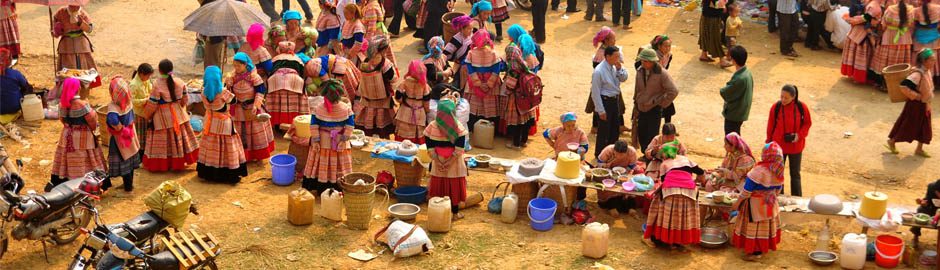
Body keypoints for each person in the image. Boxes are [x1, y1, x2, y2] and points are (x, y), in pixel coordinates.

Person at [47, 78, 107, 191]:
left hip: (66, 136)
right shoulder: (83, 105)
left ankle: (66, 185)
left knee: (66, 159)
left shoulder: (62, 105)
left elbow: (62, 120)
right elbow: (93, 122)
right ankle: (87, 186)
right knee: (86, 160)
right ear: (77, 88)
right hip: (83, 137)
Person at [644, 142, 704, 252]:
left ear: (665, 155)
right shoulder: (686, 159)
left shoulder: (664, 164)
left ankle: (656, 237)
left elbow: (663, 181)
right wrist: (696, 180)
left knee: (663, 212)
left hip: (670, 193)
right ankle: (676, 242)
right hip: (689, 193)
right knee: (680, 216)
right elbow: (701, 172)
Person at [142, 60, 199, 172]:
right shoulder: (180, 81)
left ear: (159, 70)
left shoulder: (157, 84)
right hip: (179, 115)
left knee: (164, 143)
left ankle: (164, 164)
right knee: (179, 140)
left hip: (162, 117)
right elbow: (185, 100)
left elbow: (153, 104)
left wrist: (147, 115)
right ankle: (178, 162)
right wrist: (180, 108)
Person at [731, 142, 785, 261]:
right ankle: (761, 249)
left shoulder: (758, 171)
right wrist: (770, 197)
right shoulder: (779, 170)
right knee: (765, 229)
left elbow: (746, 191)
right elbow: (778, 189)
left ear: (765, 155)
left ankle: (755, 253)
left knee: (754, 229)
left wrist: (737, 203)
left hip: (755, 206)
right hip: (770, 204)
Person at [302, 79, 355, 193]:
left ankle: (320, 187)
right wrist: (343, 140)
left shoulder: (318, 108)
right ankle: (338, 187)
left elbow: (314, 125)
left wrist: (315, 141)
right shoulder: (346, 108)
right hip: (339, 142)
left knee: (321, 164)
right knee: (338, 165)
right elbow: (350, 126)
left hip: (322, 142)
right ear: (340, 94)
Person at [198, 66, 248, 183]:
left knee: (211, 146)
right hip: (224, 123)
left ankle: (210, 173)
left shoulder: (203, 92)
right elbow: (234, 100)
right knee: (228, 146)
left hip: (210, 123)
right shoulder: (223, 92)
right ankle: (228, 173)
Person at [424, 99, 470, 220]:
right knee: (454, 187)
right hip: (454, 163)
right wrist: (448, 163)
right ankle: (455, 214)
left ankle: (438, 214)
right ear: (453, 112)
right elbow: (459, 150)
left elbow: (430, 147)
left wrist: (439, 161)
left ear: (439, 112)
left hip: (438, 160)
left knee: (439, 186)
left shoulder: (432, 126)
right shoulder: (458, 128)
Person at [227, 52, 275, 161]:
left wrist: (256, 105)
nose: (236, 68)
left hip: (251, 108)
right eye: (234, 66)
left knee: (254, 131)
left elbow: (260, 92)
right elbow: (228, 93)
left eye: (238, 66)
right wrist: (228, 84)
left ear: (245, 65)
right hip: (238, 109)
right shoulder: (232, 77)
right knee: (240, 131)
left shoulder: (254, 77)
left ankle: (256, 155)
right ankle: (242, 155)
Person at [886, 48, 934, 157]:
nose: (934, 62)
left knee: (924, 127)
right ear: (924, 61)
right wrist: (917, 96)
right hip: (915, 105)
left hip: (925, 104)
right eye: (931, 60)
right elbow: (903, 86)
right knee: (908, 125)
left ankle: (919, 149)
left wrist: (926, 101)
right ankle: (892, 141)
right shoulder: (917, 74)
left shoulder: (927, 71)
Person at [765, 84, 812, 195]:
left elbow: (807, 123)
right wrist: (768, 143)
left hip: (796, 147)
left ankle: (797, 199)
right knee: (777, 174)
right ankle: (779, 197)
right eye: (781, 96)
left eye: (786, 98)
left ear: (793, 97)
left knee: (795, 174)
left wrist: (798, 136)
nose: (783, 100)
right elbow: (770, 126)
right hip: (778, 148)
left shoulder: (802, 107)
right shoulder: (775, 107)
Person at [633, 48, 678, 155]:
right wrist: (636, 103)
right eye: (642, 60)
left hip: (654, 109)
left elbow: (673, 91)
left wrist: (661, 103)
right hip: (641, 107)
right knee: (642, 133)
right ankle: (645, 154)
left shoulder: (662, 73)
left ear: (653, 62)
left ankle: (650, 156)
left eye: (646, 61)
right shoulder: (640, 71)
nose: (643, 63)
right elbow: (637, 89)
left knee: (652, 135)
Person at [356, 36, 400, 138]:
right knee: (382, 127)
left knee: (369, 124)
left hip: (368, 100)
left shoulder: (365, 61)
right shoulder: (385, 64)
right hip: (382, 101)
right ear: (384, 49)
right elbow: (393, 79)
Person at [503, 34, 540, 149]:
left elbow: (510, 86)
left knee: (518, 122)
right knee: (526, 120)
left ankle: (516, 144)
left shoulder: (513, 67)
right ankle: (524, 141)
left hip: (516, 99)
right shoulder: (523, 64)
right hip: (527, 98)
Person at [591, 46, 629, 158]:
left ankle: (612, 152)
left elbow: (624, 78)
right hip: (605, 101)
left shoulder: (615, 67)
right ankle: (600, 154)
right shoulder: (599, 71)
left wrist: (619, 69)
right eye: (616, 56)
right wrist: (600, 110)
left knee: (614, 128)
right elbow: (595, 92)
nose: (618, 59)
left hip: (614, 100)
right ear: (608, 56)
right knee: (604, 131)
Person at [105, 77, 140, 192]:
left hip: (120, 138)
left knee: (124, 161)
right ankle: (129, 184)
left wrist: (119, 128)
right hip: (131, 134)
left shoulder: (113, 107)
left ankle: (128, 188)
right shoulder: (128, 102)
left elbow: (113, 121)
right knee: (130, 158)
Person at [465, 30, 503, 131]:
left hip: (475, 83)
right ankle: (490, 130)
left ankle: (473, 128)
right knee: (490, 106)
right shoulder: (494, 53)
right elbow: (496, 70)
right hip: (491, 83)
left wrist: (478, 83)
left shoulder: (471, 53)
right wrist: (489, 83)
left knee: (474, 105)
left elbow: (470, 69)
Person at [267, 42, 310, 128]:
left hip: (276, 80)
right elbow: (302, 74)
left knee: (277, 102)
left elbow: (270, 71)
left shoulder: (275, 58)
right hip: (294, 80)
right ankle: (295, 122)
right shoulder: (297, 59)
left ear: (280, 49)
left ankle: (276, 123)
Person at [872, 0, 914, 85]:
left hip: (889, 38)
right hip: (904, 38)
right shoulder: (911, 10)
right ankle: (898, 82)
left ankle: (884, 83)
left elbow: (883, 24)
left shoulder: (890, 9)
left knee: (887, 61)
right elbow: (911, 25)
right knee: (901, 61)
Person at [841, 0, 883, 84]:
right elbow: (865, 18)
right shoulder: (874, 6)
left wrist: (851, 20)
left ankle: (856, 75)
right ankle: (857, 76)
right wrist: (852, 20)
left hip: (861, 32)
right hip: (862, 33)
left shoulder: (873, 5)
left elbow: (865, 18)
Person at [595, 140, 639, 217]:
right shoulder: (608, 150)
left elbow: (631, 166)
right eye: (617, 154)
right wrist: (605, 166)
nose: (619, 156)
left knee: (629, 186)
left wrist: (624, 172)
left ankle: (630, 206)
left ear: (626, 152)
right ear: (614, 150)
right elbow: (599, 163)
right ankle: (612, 206)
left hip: (625, 173)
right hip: (608, 172)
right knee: (609, 187)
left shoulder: (632, 152)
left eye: (621, 154)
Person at [587, 27, 618, 134]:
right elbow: (597, 67)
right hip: (602, 84)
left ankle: (620, 125)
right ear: (607, 41)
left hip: (609, 83)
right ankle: (595, 126)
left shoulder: (608, 51)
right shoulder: (602, 53)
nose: (615, 41)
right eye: (613, 39)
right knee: (598, 105)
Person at [396, 60, 432, 143]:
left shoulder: (405, 82)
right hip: (419, 111)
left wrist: (402, 102)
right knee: (418, 133)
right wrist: (427, 111)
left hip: (405, 110)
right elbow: (426, 101)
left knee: (403, 133)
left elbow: (398, 96)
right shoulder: (424, 85)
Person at [720, 46, 753, 135]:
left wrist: (723, 88)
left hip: (734, 113)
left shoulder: (739, 78)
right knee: (736, 135)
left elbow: (725, 92)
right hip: (741, 111)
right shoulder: (747, 73)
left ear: (733, 60)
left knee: (731, 138)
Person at [53, 5, 97, 72]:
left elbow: (89, 30)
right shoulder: (61, 12)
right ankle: (68, 82)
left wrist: (81, 22)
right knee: (67, 68)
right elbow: (55, 32)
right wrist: (56, 29)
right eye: (72, 6)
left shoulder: (82, 13)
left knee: (84, 67)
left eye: (77, 6)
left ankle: (84, 82)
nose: (75, 8)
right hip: (66, 46)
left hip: (82, 45)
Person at [444, 15, 474, 90]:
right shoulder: (456, 39)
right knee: (458, 80)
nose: (471, 31)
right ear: (461, 29)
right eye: (468, 29)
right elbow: (447, 52)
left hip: (469, 63)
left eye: (471, 28)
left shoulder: (471, 36)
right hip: (460, 64)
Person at [913, 0, 940, 80]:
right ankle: (935, 78)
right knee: (932, 56)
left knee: (920, 57)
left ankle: (921, 78)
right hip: (934, 37)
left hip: (919, 39)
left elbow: (914, 25)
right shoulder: (938, 8)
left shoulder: (916, 10)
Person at [0, 48, 30, 116]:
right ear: (10, 61)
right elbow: (26, 86)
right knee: (24, 89)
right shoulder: (16, 74)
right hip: (14, 108)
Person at [699, 0, 729, 65]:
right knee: (715, 37)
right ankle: (722, 60)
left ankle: (703, 54)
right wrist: (723, 6)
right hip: (713, 15)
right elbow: (718, 3)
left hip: (706, 13)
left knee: (706, 34)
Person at [912, 179, 940, 244]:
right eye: (938, 192)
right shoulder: (931, 187)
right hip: (933, 209)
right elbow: (928, 200)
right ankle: (916, 235)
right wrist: (923, 202)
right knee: (920, 210)